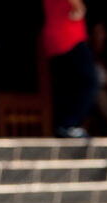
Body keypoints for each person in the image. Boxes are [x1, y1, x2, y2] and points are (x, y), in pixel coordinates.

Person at [41, 0, 98, 137]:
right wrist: (79, 7)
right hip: (69, 38)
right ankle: (69, 125)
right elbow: (78, 9)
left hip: (54, 39)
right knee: (89, 81)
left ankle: (64, 127)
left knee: (66, 87)